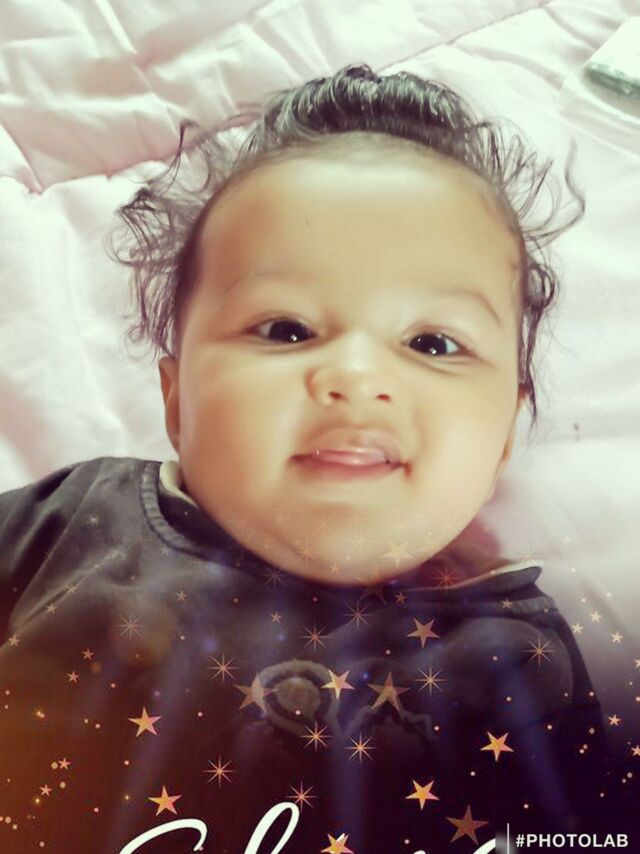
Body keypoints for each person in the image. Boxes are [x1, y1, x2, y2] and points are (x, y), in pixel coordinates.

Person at [0, 64, 628, 854]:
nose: (356, 378)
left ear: (505, 432)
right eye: (286, 330)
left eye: (433, 343)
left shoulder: (517, 660)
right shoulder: (78, 520)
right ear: (177, 400)